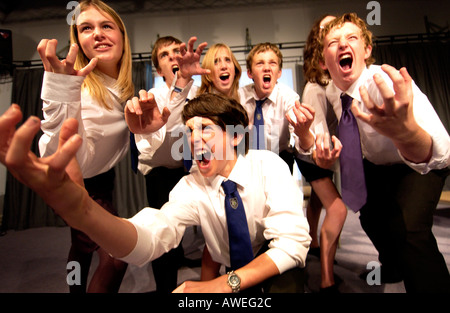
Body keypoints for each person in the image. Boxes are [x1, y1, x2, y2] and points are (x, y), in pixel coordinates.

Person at [0, 93, 311, 293]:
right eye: (189, 131)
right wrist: (86, 214)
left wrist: (222, 285)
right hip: (230, 279)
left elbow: (292, 245)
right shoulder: (192, 186)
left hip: (275, 271)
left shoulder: (267, 165)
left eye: (204, 129)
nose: (193, 138)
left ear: (233, 137)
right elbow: (152, 236)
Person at [310, 12, 450, 292]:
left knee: (410, 230)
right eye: (332, 42)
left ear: (367, 50)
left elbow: (439, 152)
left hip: (423, 160)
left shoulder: (381, 84)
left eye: (351, 38)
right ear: (324, 61)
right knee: (370, 216)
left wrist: (406, 132)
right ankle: (392, 263)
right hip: (377, 162)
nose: (342, 45)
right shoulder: (332, 92)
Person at [36, 0, 133, 293]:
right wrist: (61, 93)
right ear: (78, 41)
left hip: (102, 179)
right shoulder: (80, 86)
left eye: (106, 26)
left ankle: (74, 290)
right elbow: (59, 153)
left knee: (81, 247)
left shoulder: (121, 87)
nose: (98, 34)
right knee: (116, 258)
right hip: (76, 180)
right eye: (86, 28)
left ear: (122, 35)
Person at [126, 35, 208, 292]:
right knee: (164, 233)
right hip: (161, 172)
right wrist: (181, 84)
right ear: (158, 69)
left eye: (177, 50)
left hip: (194, 170)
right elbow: (169, 128)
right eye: (165, 54)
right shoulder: (153, 97)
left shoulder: (200, 92)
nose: (173, 56)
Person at [289, 14, 348, 293]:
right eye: (328, 29)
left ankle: (312, 242)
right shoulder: (316, 84)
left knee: (318, 201)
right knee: (337, 208)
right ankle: (326, 279)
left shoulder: (334, 78)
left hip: (321, 154)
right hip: (312, 155)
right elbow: (315, 138)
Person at [239, 42, 300, 170]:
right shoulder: (239, 97)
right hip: (248, 159)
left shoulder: (288, 97)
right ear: (250, 73)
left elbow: (298, 133)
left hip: (280, 157)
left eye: (272, 63)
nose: (267, 68)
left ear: (279, 73)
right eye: (260, 63)